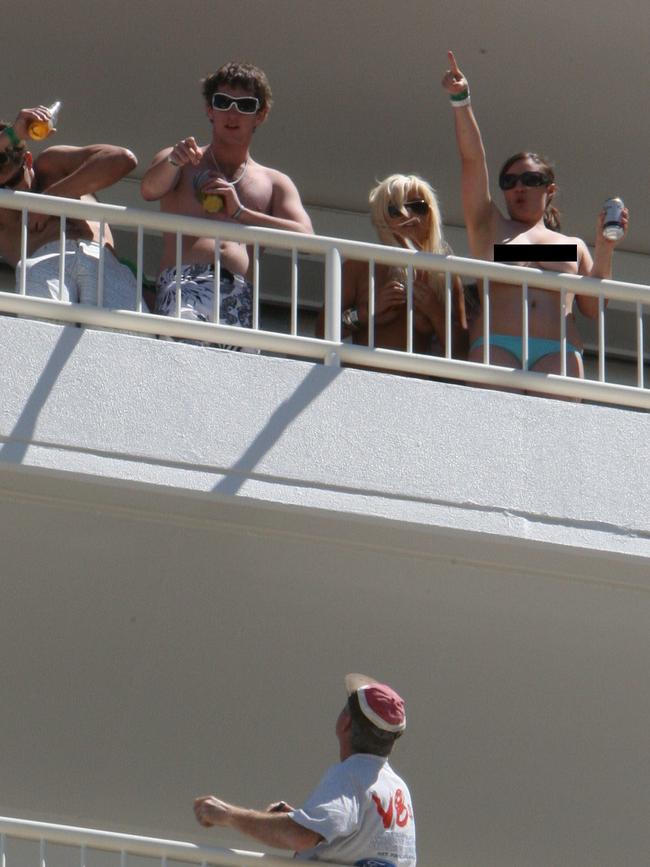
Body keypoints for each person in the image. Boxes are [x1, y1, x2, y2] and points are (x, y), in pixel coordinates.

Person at [441, 51, 628, 383]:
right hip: (495, 345)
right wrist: (461, 101)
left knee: (555, 432)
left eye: (530, 180)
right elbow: (472, 160)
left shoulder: (572, 246)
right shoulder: (491, 226)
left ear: (550, 188)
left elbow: (593, 309)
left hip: (558, 351)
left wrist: (605, 247)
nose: (519, 189)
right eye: (509, 182)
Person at [140, 62, 313, 341]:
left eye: (245, 105)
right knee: (179, 369)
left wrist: (240, 212)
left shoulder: (274, 181)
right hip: (185, 284)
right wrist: (174, 160)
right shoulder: (181, 158)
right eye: (223, 102)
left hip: (241, 293)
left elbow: (306, 238)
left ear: (260, 114)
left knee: (231, 380)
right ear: (210, 109)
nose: (232, 113)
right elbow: (148, 190)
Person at [194, 673, 416, 866]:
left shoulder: (350, 777)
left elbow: (302, 837)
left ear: (345, 723)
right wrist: (304, 819)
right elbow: (360, 846)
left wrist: (228, 816)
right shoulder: (399, 789)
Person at [0, 105, 139, 308]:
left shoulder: (51, 166)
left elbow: (123, 159)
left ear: (27, 161)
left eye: (12, 183)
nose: (7, 194)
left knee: (126, 337)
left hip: (99, 259)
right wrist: (10, 135)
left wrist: (50, 199)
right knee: (47, 337)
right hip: (39, 266)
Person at [318, 174, 467, 360]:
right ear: (382, 217)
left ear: (431, 216)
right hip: (360, 382)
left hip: (416, 385)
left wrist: (435, 313)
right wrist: (366, 312)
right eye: (396, 209)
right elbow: (321, 333)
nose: (408, 215)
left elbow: (462, 354)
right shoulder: (358, 266)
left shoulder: (444, 275)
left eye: (418, 207)